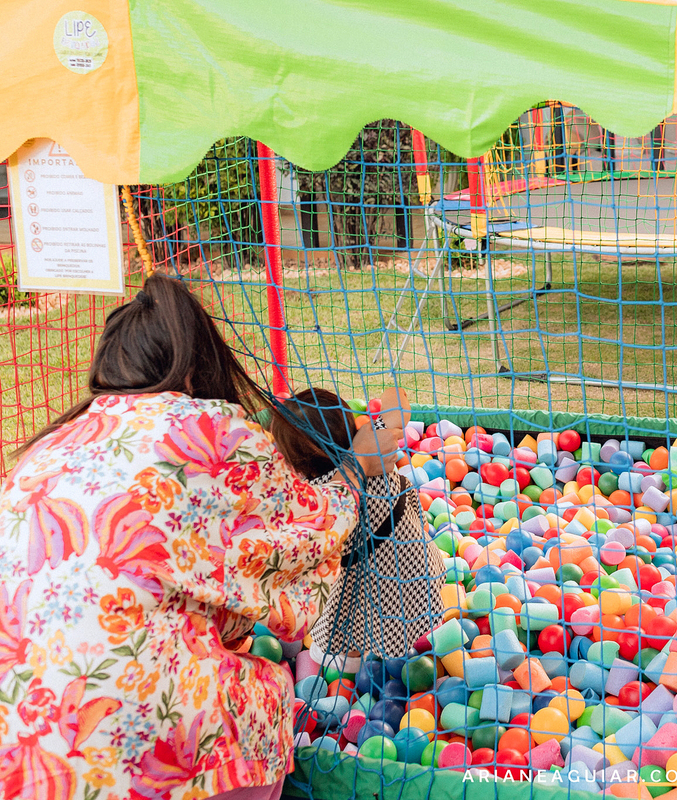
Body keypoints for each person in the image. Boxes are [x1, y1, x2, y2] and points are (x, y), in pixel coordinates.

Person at [0, 274, 398, 800]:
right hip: (146, 746)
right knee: (264, 697)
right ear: (192, 367)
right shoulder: (214, 432)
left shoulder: (43, 450)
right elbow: (309, 545)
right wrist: (359, 464)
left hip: (22, 752)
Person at [270, 387, 446, 663]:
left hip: (364, 589)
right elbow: (398, 403)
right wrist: (384, 406)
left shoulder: (314, 497)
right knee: (388, 605)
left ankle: (350, 662)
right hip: (415, 571)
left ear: (296, 463)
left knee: (349, 614)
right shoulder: (375, 447)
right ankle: (400, 638)